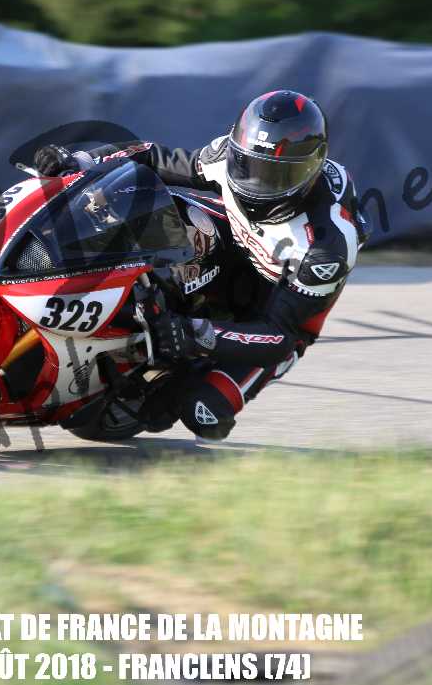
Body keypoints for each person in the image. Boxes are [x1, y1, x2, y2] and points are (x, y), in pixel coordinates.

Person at [33, 90, 368, 440]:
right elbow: (152, 156)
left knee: (204, 413)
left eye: (275, 176)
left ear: (310, 171)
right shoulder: (226, 155)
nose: (256, 183)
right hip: (237, 243)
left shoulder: (325, 248)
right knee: (158, 209)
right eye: (248, 166)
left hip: (276, 306)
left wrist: (192, 333)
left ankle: (178, 370)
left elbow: (279, 337)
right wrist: (80, 161)